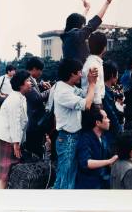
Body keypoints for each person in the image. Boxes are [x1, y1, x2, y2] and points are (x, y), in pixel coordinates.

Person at [53, 58, 98, 189]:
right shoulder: (63, 91)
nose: (81, 75)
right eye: (79, 72)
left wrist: (92, 81)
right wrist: (93, 84)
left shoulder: (69, 87)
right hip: (67, 138)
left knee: (69, 176)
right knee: (65, 179)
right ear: (71, 73)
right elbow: (87, 104)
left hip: (72, 137)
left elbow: (86, 95)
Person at [61, 0, 115, 64]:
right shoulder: (76, 36)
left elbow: (80, 23)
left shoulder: (68, 37)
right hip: (79, 73)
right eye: (83, 25)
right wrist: (107, 3)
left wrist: (87, 9)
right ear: (79, 26)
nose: (84, 27)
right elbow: (93, 23)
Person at [0, 70, 32, 189]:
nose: (31, 83)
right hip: (8, 140)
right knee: (4, 175)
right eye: (28, 80)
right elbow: (14, 123)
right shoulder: (15, 99)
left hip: (11, 140)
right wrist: (16, 144)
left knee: (8, 173)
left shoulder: (20, 97)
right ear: (20, 85)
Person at [75, 105, 118, 189]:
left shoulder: (103, 137)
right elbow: (86, 163)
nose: (108, 120)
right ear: (97, 122)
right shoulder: (85, 138)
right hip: (89, 185)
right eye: (105, 118)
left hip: (102, 181)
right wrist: (109, 161)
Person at [24, 57, 51, 158]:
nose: (41, 73)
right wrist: (52, 90)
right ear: (34, 69)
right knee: (35, 149)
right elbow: (37, 98)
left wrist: (40, 84)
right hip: (33, 123)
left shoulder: (30, 79)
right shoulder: (27, 80)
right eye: (40, 70)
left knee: (36, 148)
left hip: (34, 121)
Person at [81, 31, 107, 108]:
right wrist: (99, 108)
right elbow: (95, 90)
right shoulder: (94, 65)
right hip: (94, 106)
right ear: (104, 48)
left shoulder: (92, 62)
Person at [102, 61, 122, 146]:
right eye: (117, 74)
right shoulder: (104, 93)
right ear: (112, 75)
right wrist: (120, 133)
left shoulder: (108, 91)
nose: (118, 77)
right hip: (109, 134)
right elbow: (112, 115)